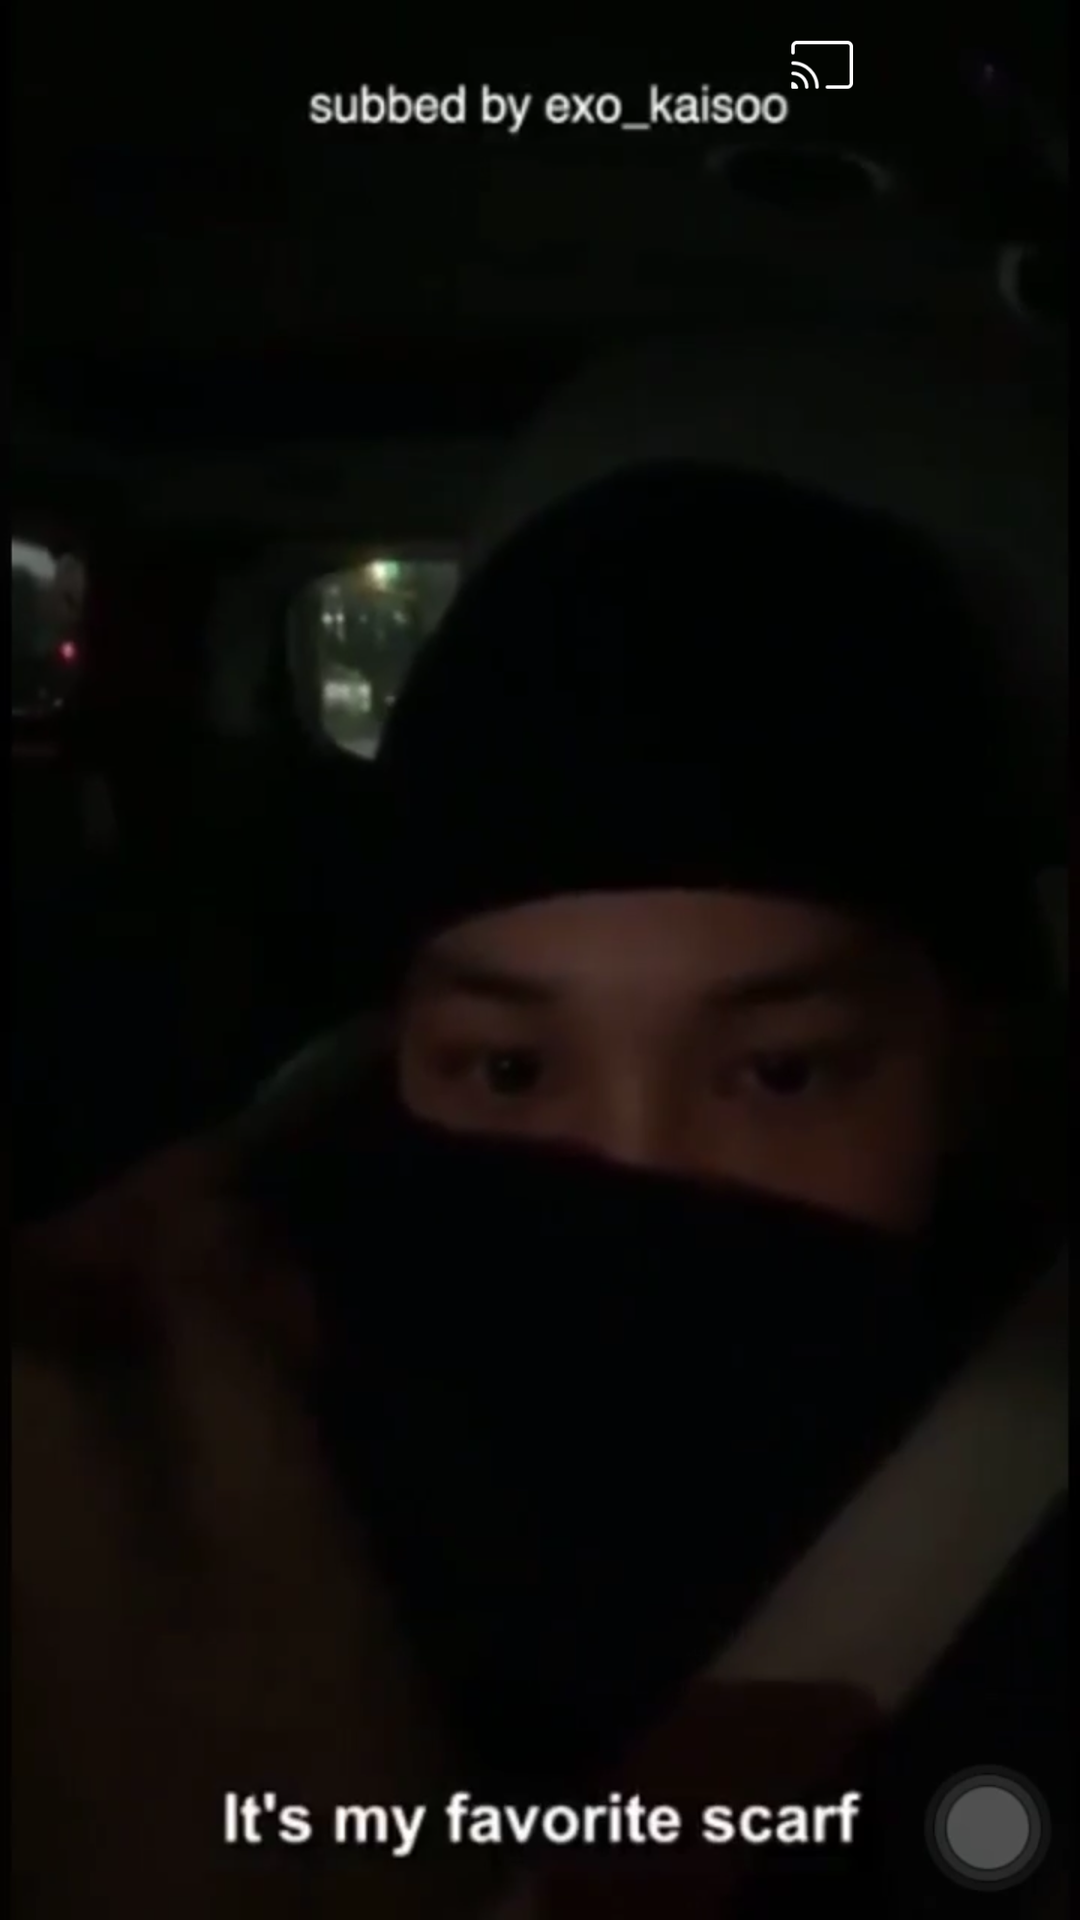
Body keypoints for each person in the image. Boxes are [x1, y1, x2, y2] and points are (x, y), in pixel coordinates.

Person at [13, 463, 1066, 1918]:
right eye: (509, 1070)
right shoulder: (157, 1422)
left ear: (963, 1074)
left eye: (780, 1074)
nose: (627, 1177)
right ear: (401, 1056)